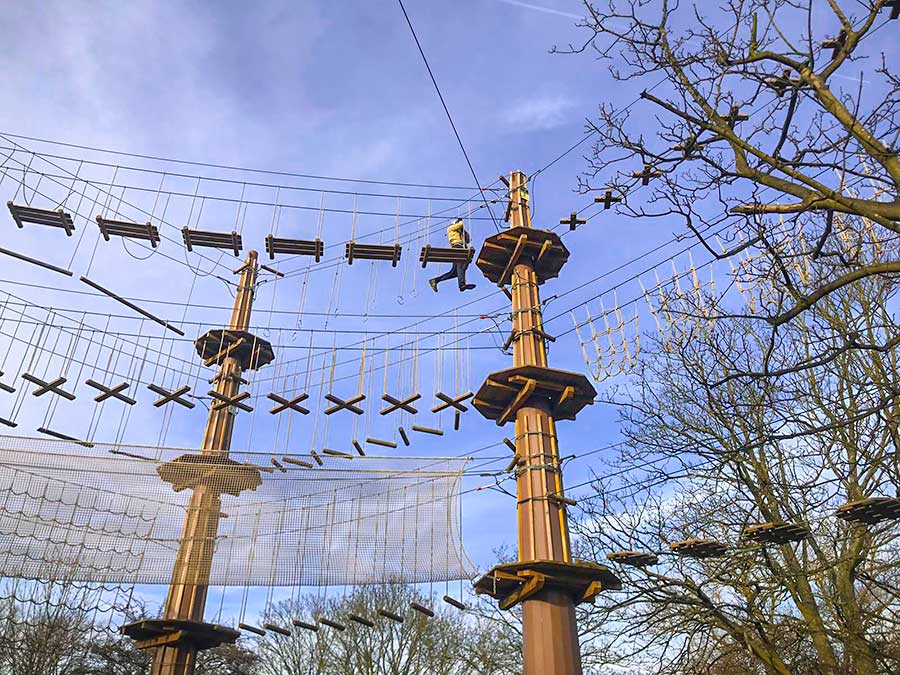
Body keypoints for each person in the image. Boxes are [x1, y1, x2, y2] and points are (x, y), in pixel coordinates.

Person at [429, 218, 476, 292]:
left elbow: (468, 239)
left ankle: (435, 280)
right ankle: (462, 285)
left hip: (461, 249)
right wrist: (460, 222)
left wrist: (463, 231)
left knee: (454, 273)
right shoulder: (450, 229)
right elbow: (461, 224)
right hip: (457, 247)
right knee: (460, 265)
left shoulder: (460, 233)